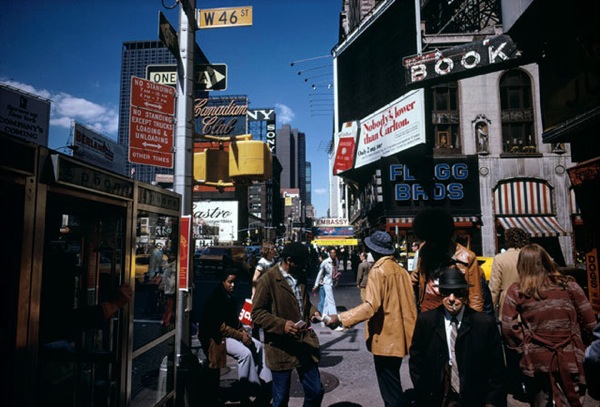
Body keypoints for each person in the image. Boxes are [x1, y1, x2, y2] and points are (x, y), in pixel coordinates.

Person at [326, 231, 417, 407]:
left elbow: (370, 306)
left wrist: (341, 317)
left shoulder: (378, 271)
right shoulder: (402, 271)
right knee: (393, 381)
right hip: (401, 337)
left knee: (389, 388)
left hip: (385, 338)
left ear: (374, 251)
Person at [501, 244, 597, 407]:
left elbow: (508, 327)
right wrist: (585, 346)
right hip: (571, 356)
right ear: (546, 261)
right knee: (571, 399)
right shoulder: (569, 285)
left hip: (535, 360)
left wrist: (522, 348)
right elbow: (591, 323)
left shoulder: (517, 290)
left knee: (540, 400)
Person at [409, 266, 506, 407]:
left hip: (473, 398)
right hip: (438, 398)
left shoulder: (483, 324)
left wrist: (491, 401)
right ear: (440, 293)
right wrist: (424, 392)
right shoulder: (426, 321)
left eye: (457, 293)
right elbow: (416, 361)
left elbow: (496, 368)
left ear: (465, 294)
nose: (452, 299)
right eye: (446, 293)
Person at [252, 242, 325, 407]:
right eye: (301, 262)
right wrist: (282, 325)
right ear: (289, 260)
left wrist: (313, 312)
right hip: (280, 348)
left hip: (303, 344)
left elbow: (304, 303)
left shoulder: (300, 275)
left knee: (315, 390)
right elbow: (257, 313)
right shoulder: (268, 280)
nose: (304, 266)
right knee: (280, 399)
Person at [198, 269, 272, 407]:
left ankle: (266, 383)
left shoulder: (229, 297)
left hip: (229, 334)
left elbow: (235, 322)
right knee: (245, 354)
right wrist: (240, 335)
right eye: (230, 282)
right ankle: (248, 391)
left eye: (234, 282)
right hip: (217, 338)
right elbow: (220, 327)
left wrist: (244, 332)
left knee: (257, 345)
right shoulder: (217, 298)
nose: (233, 285)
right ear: (223, 282)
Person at [410, 207, 485, 313]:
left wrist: (474, 323)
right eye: (428, 240)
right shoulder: (425, 250)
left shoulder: (467, 257)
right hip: (427, 313)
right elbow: (415, 279)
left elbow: (475, 297)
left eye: (434, 241)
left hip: (454, 313)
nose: (431, 244)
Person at [488, 227, 530, 318]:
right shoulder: (530, 257)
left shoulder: (500, 259)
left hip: (507, 304)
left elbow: (494, 289)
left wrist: (490, 311)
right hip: (528, 301)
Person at [312, 247, 340, 323]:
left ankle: (324, 318)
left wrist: (337, 279)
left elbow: (336, 271)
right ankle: (333, 316)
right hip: (326, 283)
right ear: (329, 253)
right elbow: (320, 273)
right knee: (331, 300)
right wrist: (316, 285)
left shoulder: (336, 261)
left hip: (332, 283)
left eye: (334, 252)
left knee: (327, 302)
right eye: (332, 252)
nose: (333, 254)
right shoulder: (325, 262)